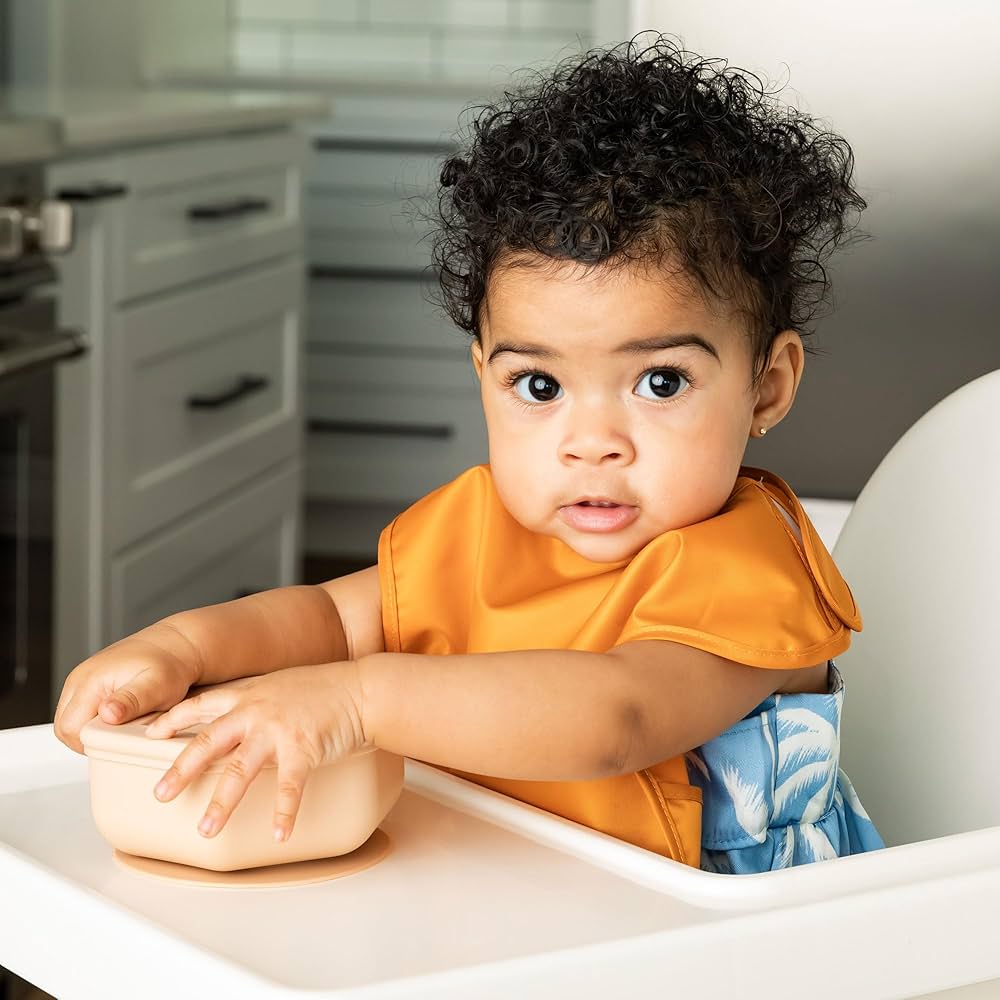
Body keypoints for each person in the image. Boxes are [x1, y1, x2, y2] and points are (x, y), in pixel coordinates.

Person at [54, 35, 884, 873]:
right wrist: (183, 649)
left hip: (743, 936)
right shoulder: (478, 529)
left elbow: (616, 719)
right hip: (524, 903)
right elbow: (330, 620)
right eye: (540, 386)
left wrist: (358, 701)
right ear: (484, 377)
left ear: (767, 387)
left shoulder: (752, 569)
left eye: (660, 382)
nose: (591, 443)